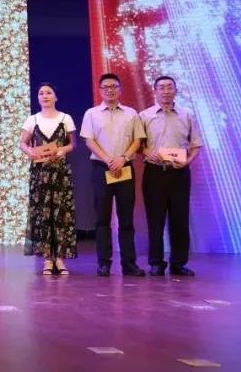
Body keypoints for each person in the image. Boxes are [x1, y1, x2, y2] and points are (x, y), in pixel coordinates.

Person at [80, 73, 147, 277]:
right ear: (100, 90)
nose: (110, 90)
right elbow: (89, 140)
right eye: (106, 87)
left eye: (114, 86)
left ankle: (129, 263)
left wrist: (122, 158)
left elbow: (138, 140)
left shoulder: (131, 113)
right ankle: (104, 263)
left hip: (124, 167)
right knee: (102, 218)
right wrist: (109, 159)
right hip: (101, 168)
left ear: (120, 89)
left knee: (126, 217)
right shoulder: (91, 113)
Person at [139, 76, 203, 277]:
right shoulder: (144, 116)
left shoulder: (187, 114)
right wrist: (148, 152)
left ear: (175, 90)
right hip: (154, 173)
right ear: (155, 91)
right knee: (155, 220)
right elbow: (139, 145)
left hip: (179, 173)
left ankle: (178, 263)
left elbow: (196, 145)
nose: (166, 91)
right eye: (161, 88)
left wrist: (187, 161)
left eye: (169, 87)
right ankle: (156, 263)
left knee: (179, 219)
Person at [18, 82, 77, 276]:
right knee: (43, 214)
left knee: (60, 213)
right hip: (40, 173)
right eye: (41, 93)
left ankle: (59, 258)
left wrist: (61, 150)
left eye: (48, 93)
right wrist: (31, 152)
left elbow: (72, 144)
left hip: (60, 172)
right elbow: (22, 143)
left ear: (55, 97)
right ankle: (47, 259)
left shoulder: (65, 118)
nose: (44, 96)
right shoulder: (32, 119)